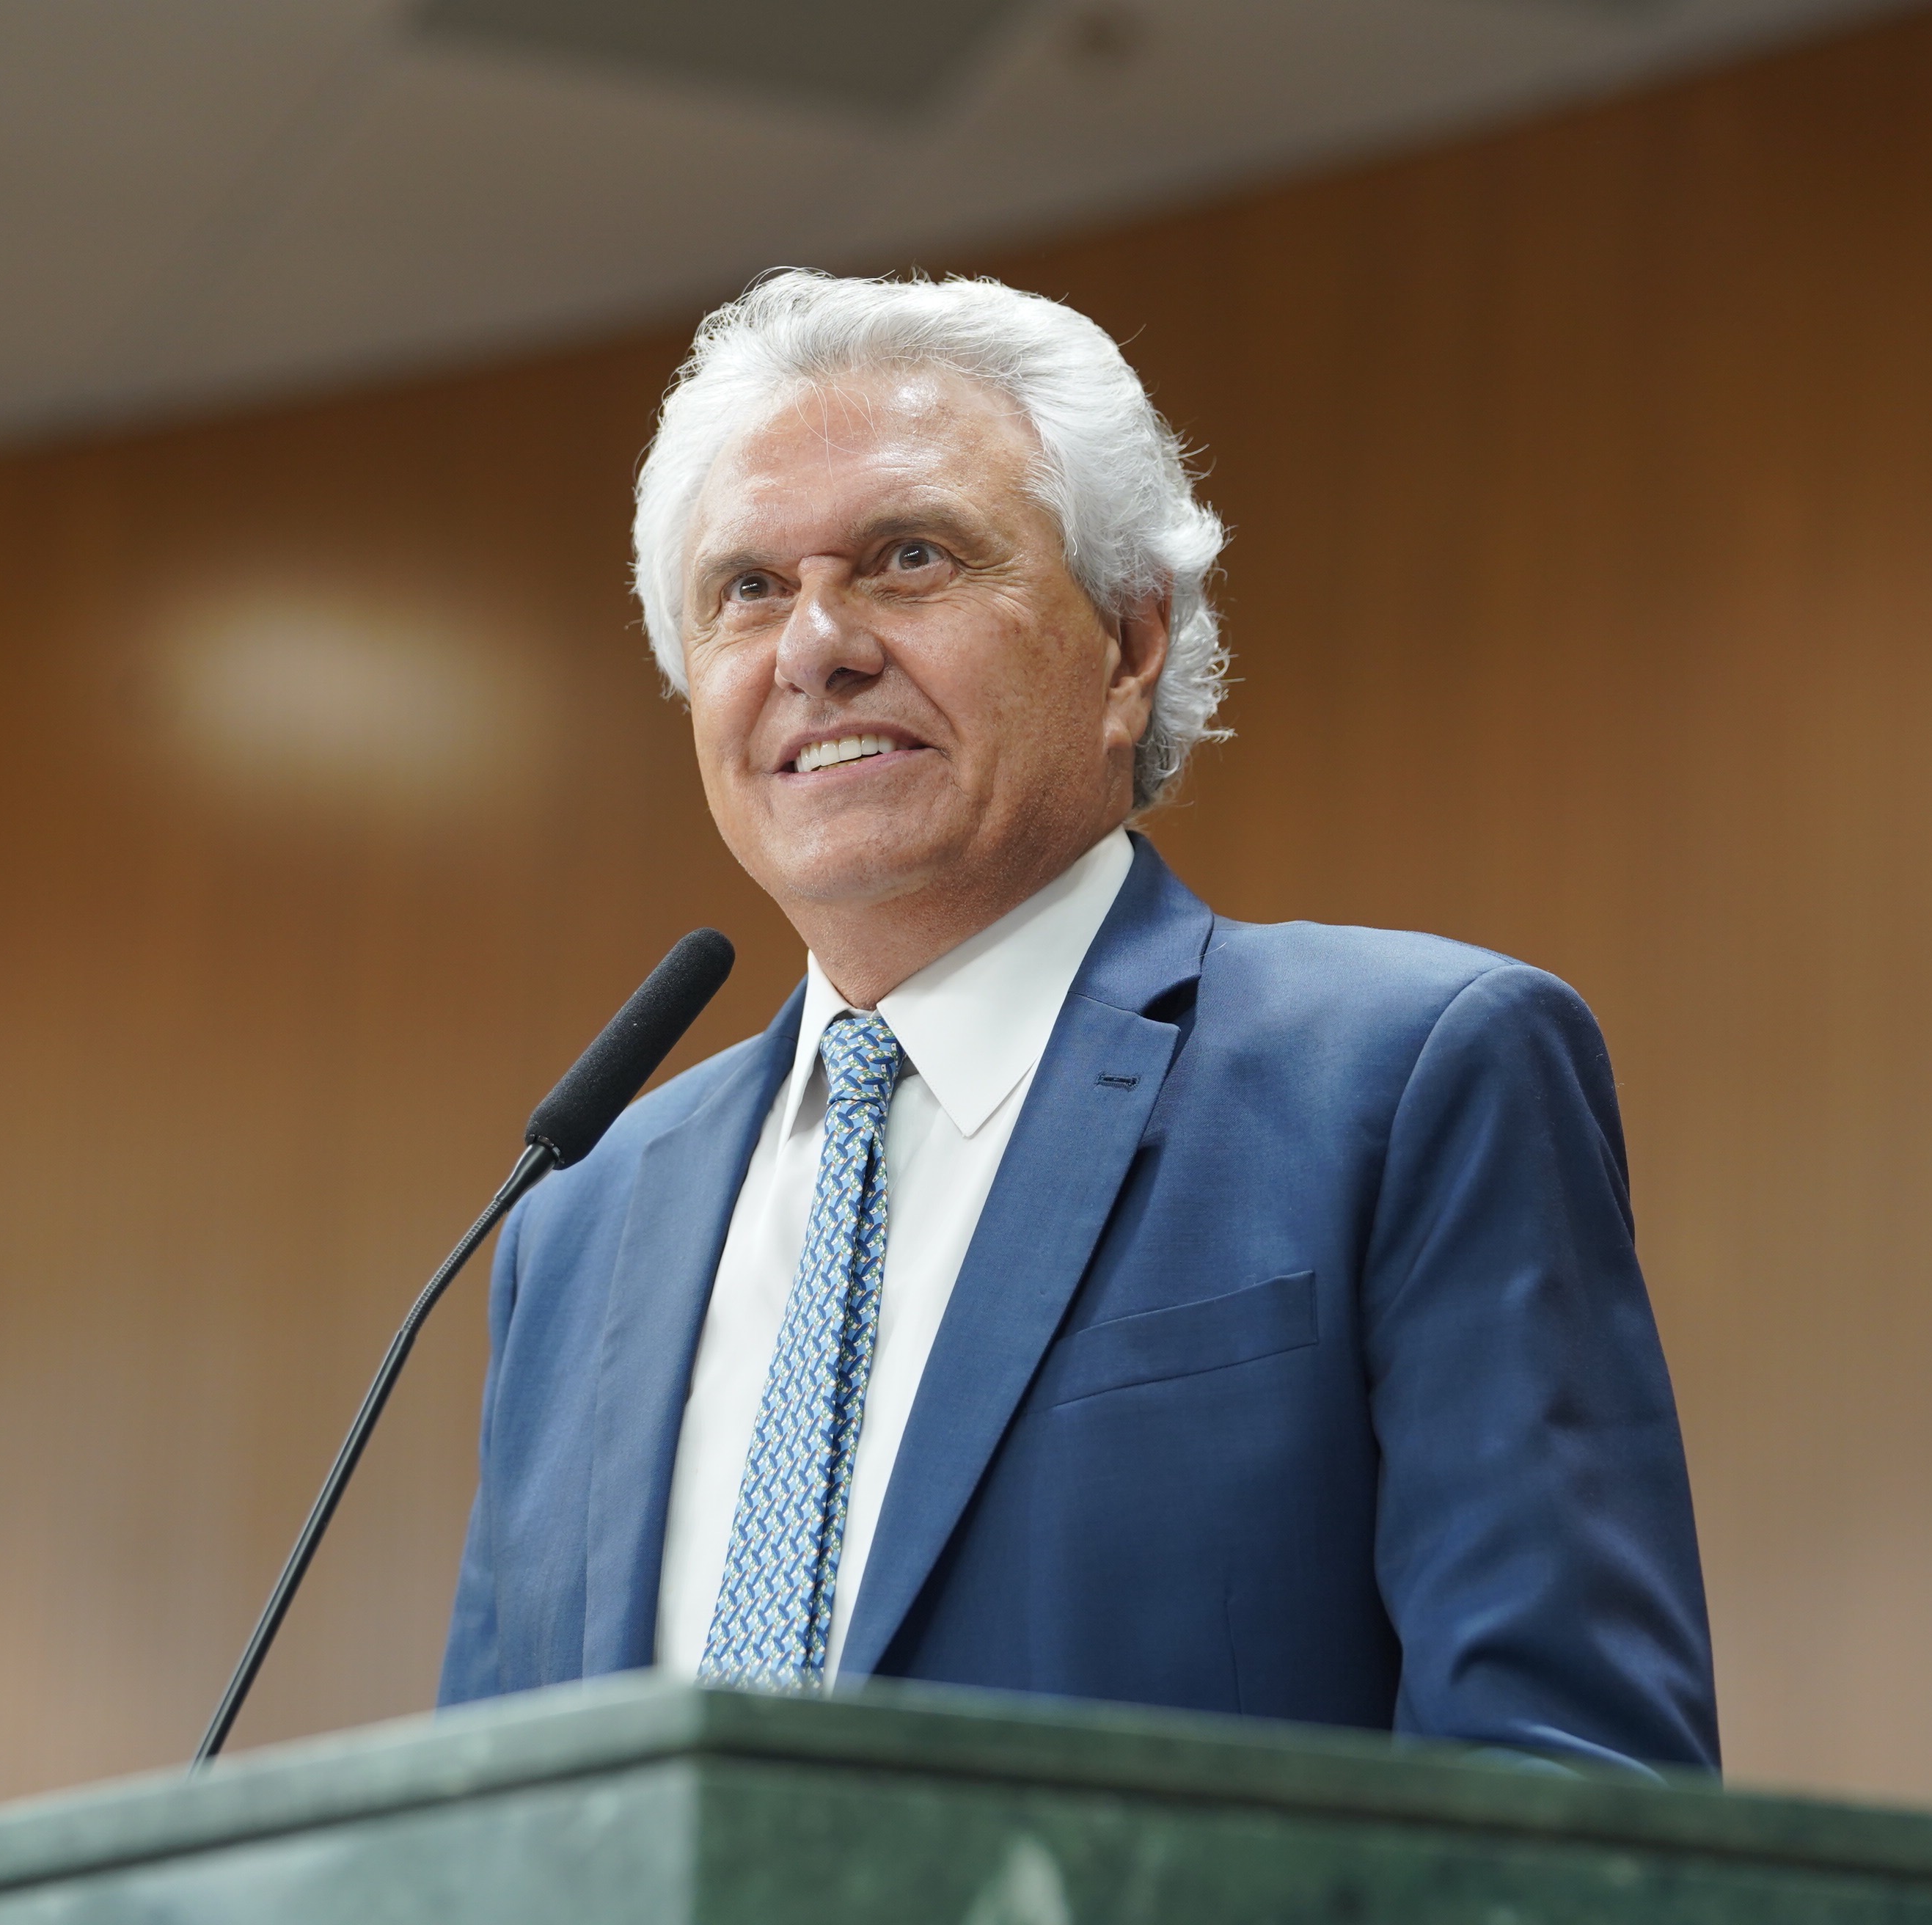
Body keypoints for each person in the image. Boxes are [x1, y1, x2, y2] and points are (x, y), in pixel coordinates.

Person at [438, 270, 1719, 1775]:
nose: (815, 646)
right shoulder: (575, 1219)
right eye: (748, 590)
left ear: (1129, 643)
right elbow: (480, 1832)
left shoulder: (1411, 1077)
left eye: (909, 559)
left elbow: (1569, 1799)